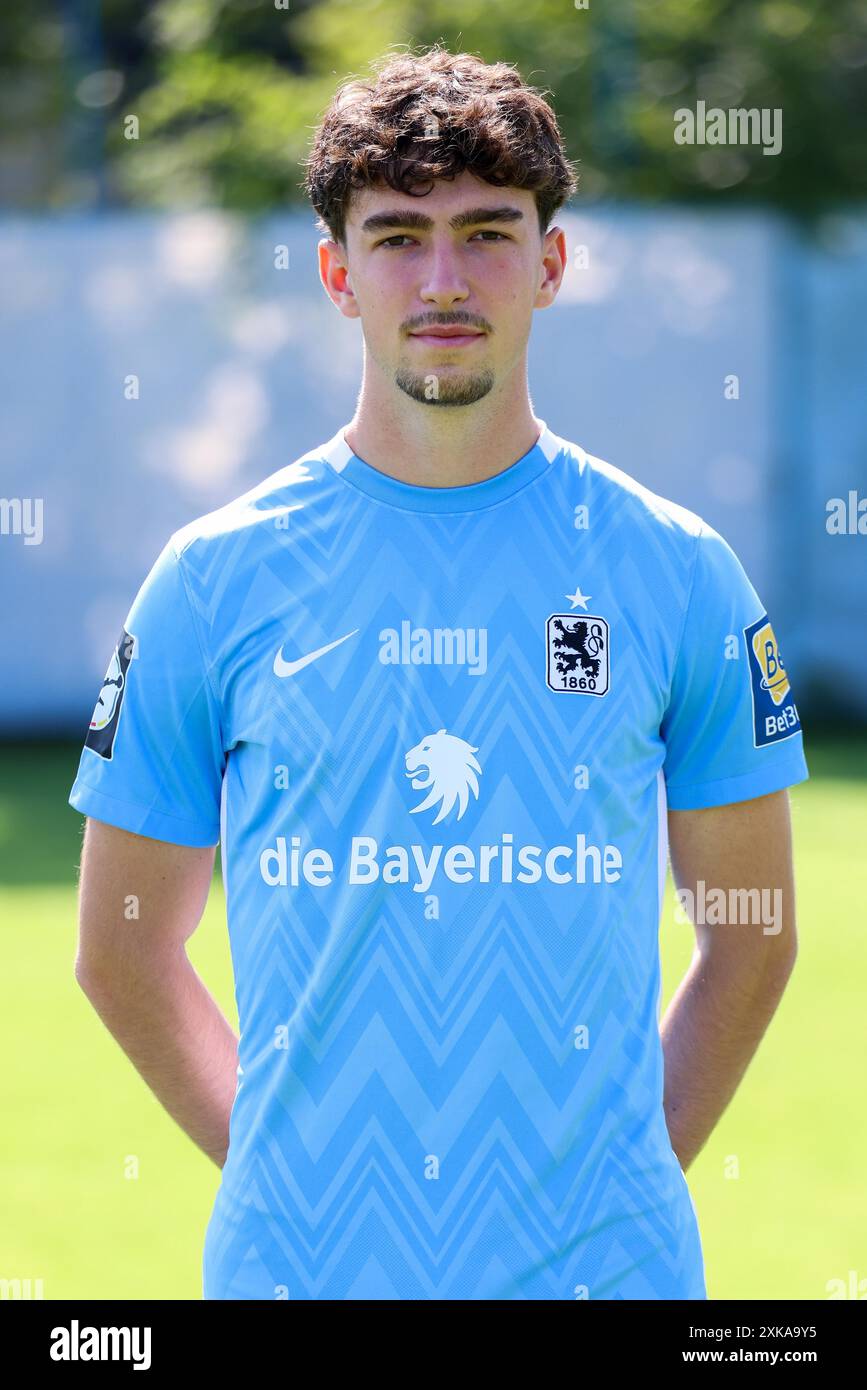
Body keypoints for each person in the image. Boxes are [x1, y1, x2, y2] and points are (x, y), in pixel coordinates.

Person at [68, 44, 808, 1301]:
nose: (445, 279)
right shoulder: (213, 580)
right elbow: (121, 945)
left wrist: (628, 1172)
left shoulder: (675, 572)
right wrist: (276, 1171)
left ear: (553, 262)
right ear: (337, 273)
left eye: (488, 232)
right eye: (400, 236)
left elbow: (753, 932)